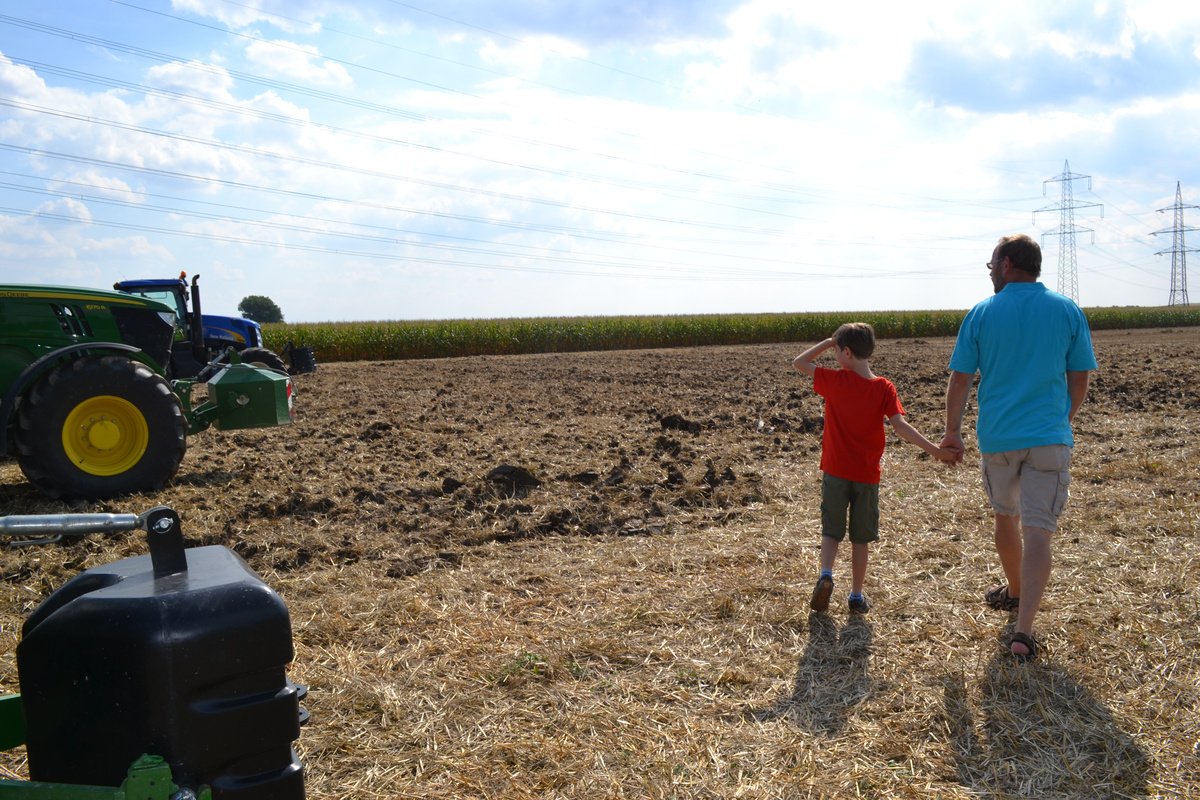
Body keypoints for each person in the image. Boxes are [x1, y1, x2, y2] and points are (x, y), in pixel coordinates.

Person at [940, 234, 1097, 662]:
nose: (990, 271)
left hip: (999, 439)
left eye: (992, 263)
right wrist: (1061, 420)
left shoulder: (982, 313)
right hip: (1048, 438)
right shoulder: (1067, 310)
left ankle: (1014, 592)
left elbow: (960, 380)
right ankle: (1023, 630)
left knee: (1005, 517)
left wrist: (952, 432)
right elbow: (1079, 378)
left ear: (1007, 264)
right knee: (1038, 531)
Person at [793, 322, 954, 616]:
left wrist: (828, 342)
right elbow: (901, 426)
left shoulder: (836, 380)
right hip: (866, 475)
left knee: (831, 531)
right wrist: (935, 450)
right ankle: (856, 596)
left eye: (837, 351)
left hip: (835, 471)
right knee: (861, 538)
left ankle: (826, 575)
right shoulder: (884, 388)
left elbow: (799, 362)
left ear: (846, 352)